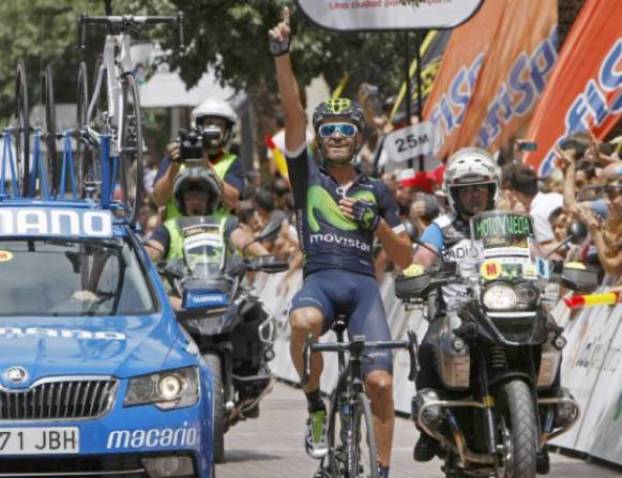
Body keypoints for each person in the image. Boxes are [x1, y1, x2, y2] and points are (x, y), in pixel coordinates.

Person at [269, 10, 413, 478]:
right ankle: (314, 403)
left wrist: (380, 227)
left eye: (343, 130)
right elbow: (292, 110)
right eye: (326, 131)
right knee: (303, 320)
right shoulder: (305, 175)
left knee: (380, 382)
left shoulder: (378, 190)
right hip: (321, 282)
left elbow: (406, 260)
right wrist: (283, 55)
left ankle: (384, 470)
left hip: (363, 288)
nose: (333, 137)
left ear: (358, 138)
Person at [410, 148, 502, 462]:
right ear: (453, 194)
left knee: (551, 336)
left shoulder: (509, 223)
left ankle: (544, 409)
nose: (474, 195)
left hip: (505, 309)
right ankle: (428, 431)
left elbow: (538, 257)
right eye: (466, 189)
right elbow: (421, 260)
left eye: (480, 187)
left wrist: (555, 265)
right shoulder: (440, 228)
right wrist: (416, 273)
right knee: (427, 347)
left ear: (493, 190)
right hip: (456, 312)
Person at [145, 168, 267, 296]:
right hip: (181, 295)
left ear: (211, 198)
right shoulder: (169, 228)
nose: (196, 200)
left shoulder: (226, 223)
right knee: (166, 303)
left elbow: (242, 239)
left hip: (226, 291)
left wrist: (265, 255)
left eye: (201, 195)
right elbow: (154, 248)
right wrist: (142, 256)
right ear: (180, 199)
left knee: (256, 310)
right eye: (190, 195)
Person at [152, 98, 245, 219]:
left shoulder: (232, 162)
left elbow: (232, 202)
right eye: (209, 124)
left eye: (219, 125)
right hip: (179, 235)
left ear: (227, 130)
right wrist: (175, 166)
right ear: (198, 126)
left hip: (215, 235)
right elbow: (159, 199)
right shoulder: (176, 156)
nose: (213, 129)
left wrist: (207, 165)